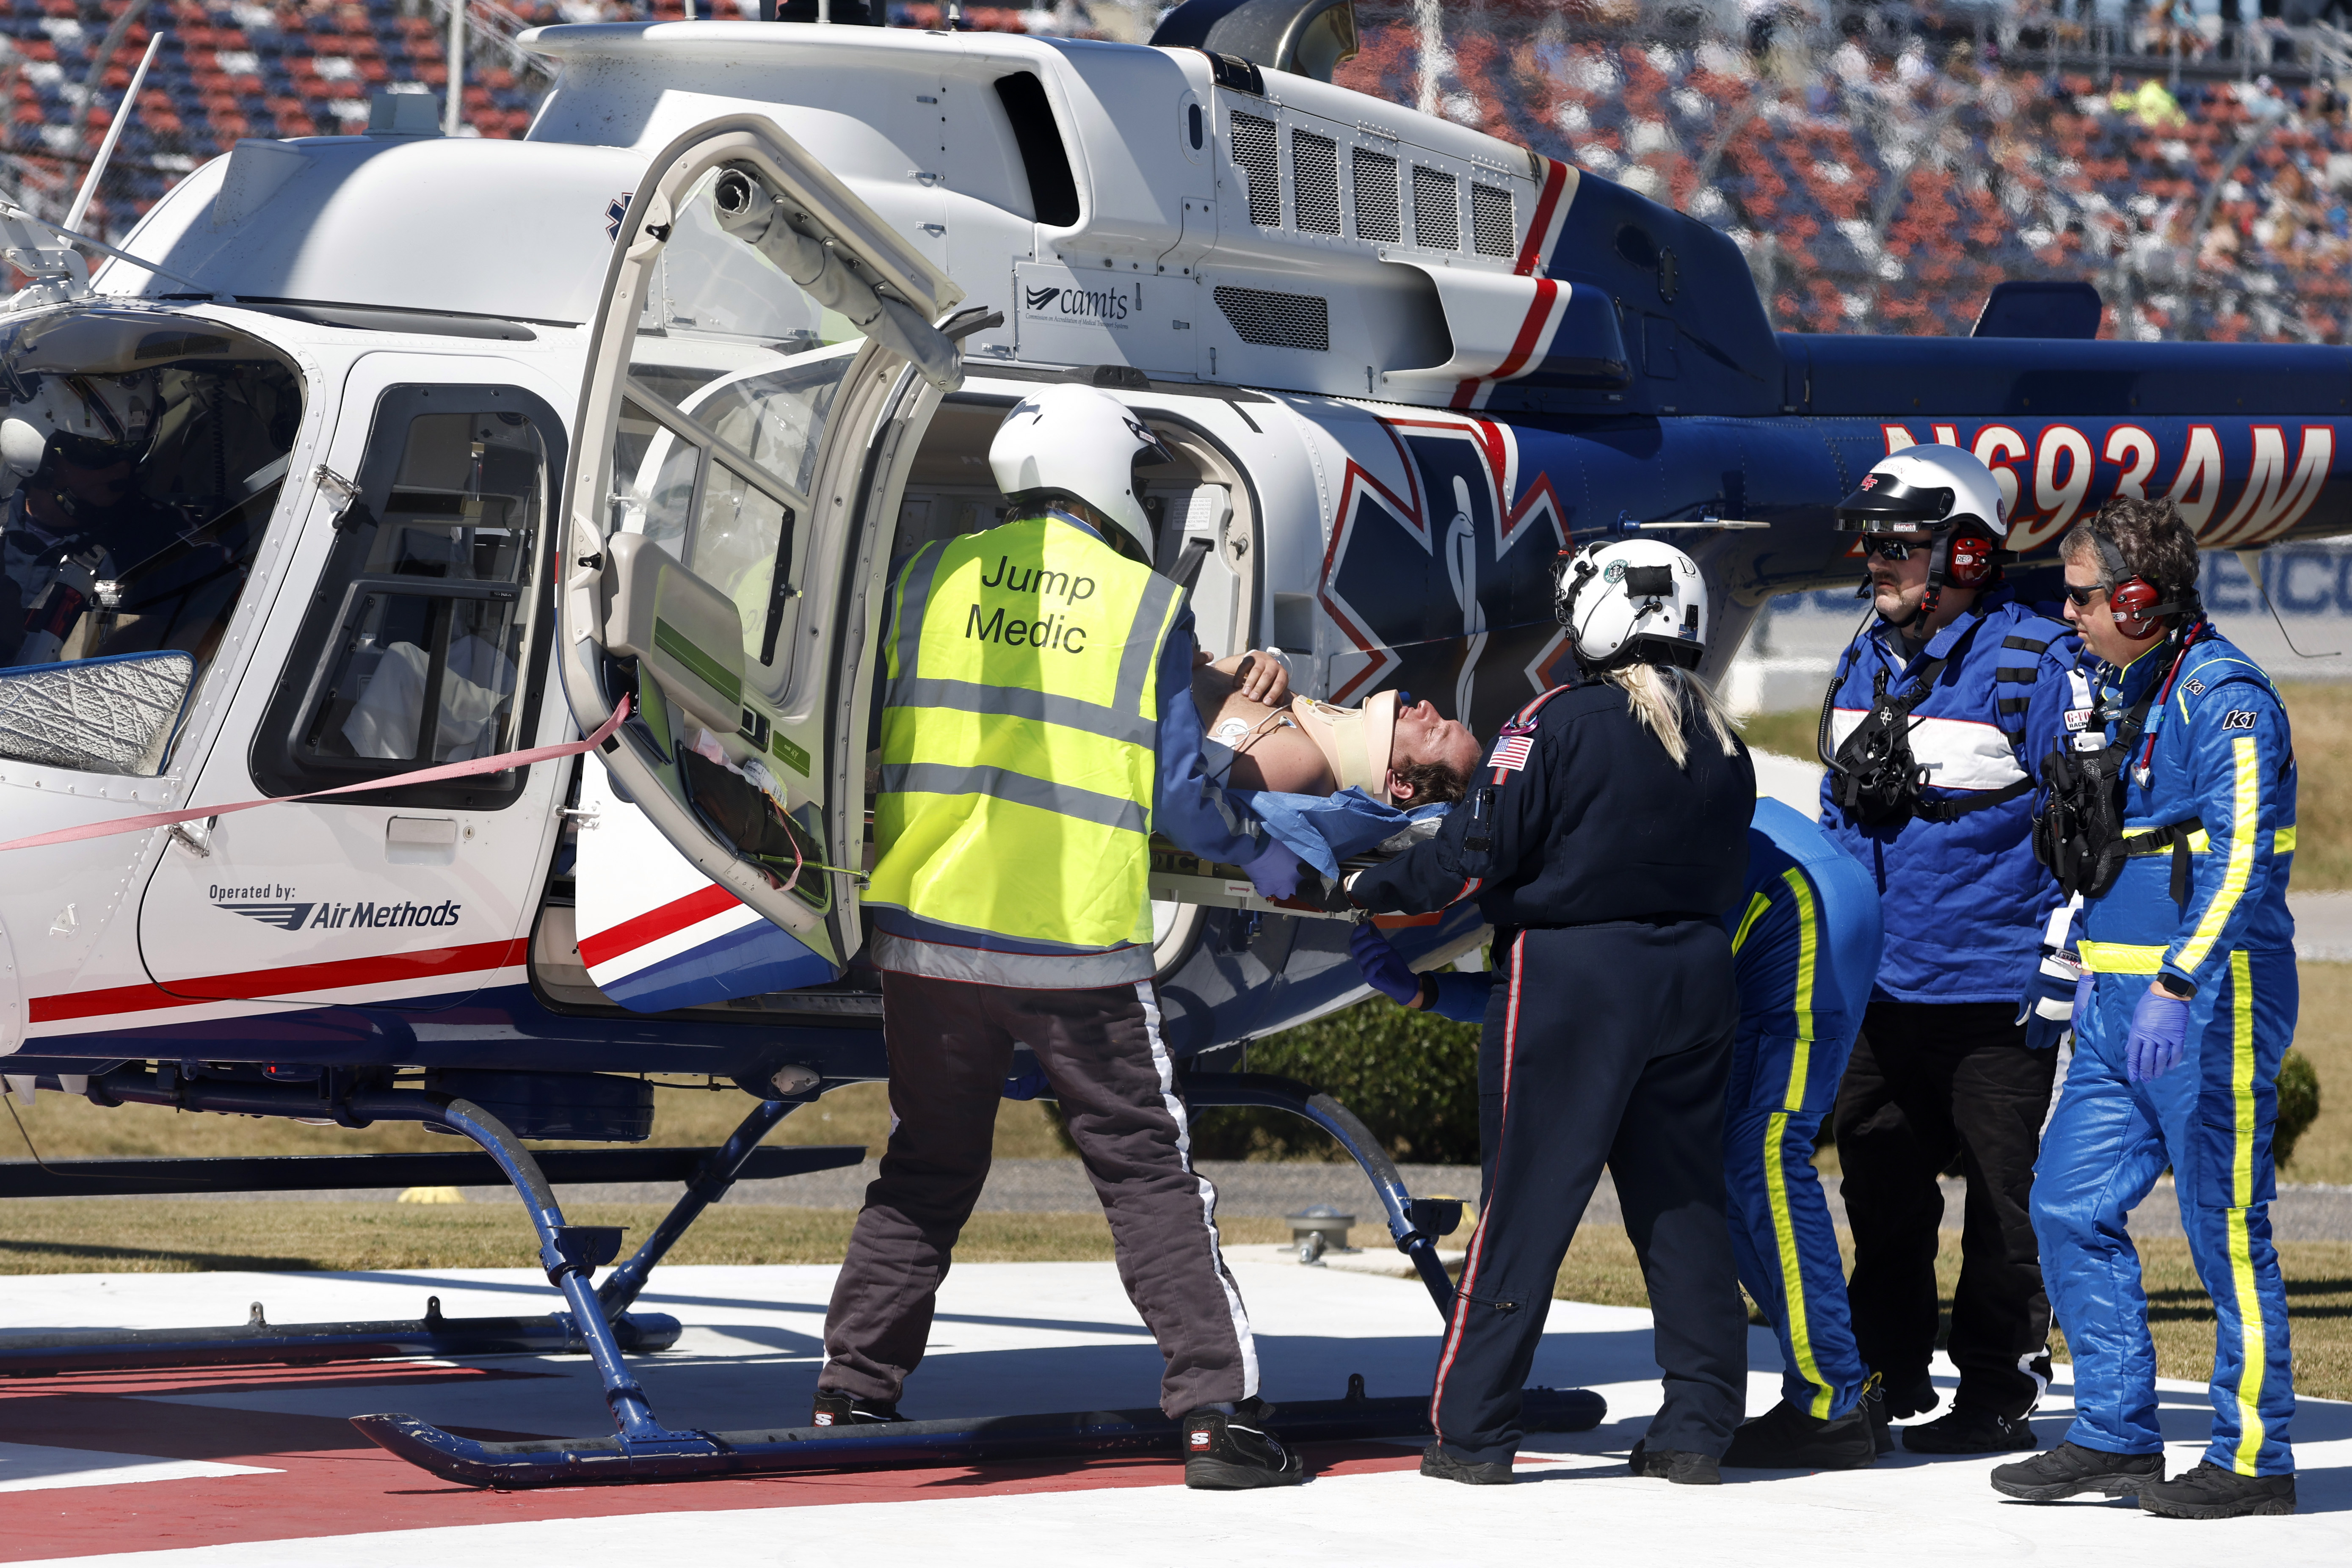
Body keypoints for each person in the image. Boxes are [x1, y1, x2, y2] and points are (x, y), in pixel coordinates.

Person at [817, 383, 1309, 1490]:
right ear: (1103, 479)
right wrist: (1263, 855)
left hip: (928, 940)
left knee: (927, 1163)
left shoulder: (924, 579)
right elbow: (1184, 800)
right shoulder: (1143, 605)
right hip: (1070, 947)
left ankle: (854, 1385)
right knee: (1145, 1169)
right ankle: (1211, 1412)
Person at [1337, 536, 1756, 1487]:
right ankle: (1697, 1427)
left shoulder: (1555, 720)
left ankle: (1473, 1429)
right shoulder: (1723, 743)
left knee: (1525, 1203)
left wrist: (1364, 881)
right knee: (1683, 1205)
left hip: (1576, 976)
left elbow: (1475, 853)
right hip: (1697, 975)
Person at [1352, 794, 1885, 1470]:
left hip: (1798, 904)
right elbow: (1547, 987)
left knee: (1763, 1157)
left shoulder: (1531, 808)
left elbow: (1557, 992)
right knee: (1735, 1164)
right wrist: (1430, 993)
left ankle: (1834, 1401)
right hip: (1792, 896)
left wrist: (1423, 976)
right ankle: (1835, 1391)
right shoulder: (1552, 787)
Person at [1994, 497, 2298, 1519]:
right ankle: (2113, 1436)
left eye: (2082, 596)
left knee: (2224, 1228)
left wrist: (2174, 982)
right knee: (2064, 1204)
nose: (2067, 613)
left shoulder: (2223, 695)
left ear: (2136, 597)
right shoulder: (2125, 693)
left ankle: (2252, 1457)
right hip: (2114, 997)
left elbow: (2245, 853)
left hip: (2208, 999)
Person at [1818, 444, 2079, 1454]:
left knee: (2003, 1209)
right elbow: (1839, 821)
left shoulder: (2032, 665)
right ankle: (1889, 1371)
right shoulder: (1861, 656)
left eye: (1897, 545)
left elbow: (2086, 833)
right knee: (1879, 1190)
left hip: (1993, 998)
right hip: (1875, 997)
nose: (1872, 560)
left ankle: (1996, 1385)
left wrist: (2060, 963)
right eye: (1869, 542)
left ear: (1965, 555)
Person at [1190, 656, 1483, 806]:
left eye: (1434, 732)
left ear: (1401, 783)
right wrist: (1250, 663)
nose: (1427, 707)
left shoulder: (1303, 766)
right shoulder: (1309, 739)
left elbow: (1165, 758)